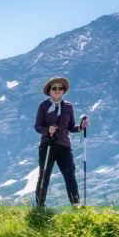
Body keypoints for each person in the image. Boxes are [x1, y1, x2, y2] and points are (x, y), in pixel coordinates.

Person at [33, 76, 88, 207]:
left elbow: (71, 127)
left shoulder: (68, 106)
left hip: (64, 146)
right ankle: (40, 205)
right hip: (48, 145)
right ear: (50, 91)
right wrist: (48, 130)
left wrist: (81, 127)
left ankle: (75, 204)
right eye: (54, 88)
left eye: (60, 88)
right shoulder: (43, 106)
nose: (57, 90)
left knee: (70, 174)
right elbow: (37, 126)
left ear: (63, 91)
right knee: (44, 175)